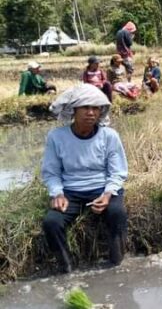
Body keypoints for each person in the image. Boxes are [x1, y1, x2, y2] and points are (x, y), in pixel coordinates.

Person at [41, 84, 128, 273]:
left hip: (102, 187)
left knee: (117, 213)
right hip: (71, 191)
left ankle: (116, 263)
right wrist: (57, 193)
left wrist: (107, 194)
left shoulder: (109, 136)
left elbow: (117, 172)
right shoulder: (57, 137)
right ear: (74, 110)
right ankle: (67, 268)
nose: (91, 113)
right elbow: (51, 172)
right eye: (85, 108)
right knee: (52, 223)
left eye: (96, 108)